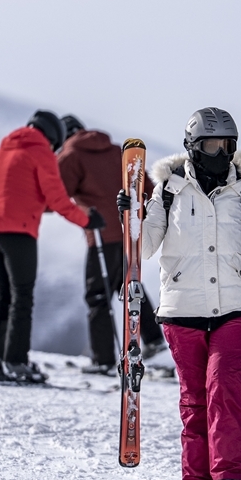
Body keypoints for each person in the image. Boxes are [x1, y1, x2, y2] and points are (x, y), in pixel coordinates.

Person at [122, 107, 241, 480]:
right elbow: (145, 246)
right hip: (182, 307)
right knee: (194, 397)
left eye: (227, 145)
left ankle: (229, 476)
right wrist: (131, 215)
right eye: (212, 145)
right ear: (193, 147)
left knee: (223, 385)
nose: (221, 153)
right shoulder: (168, 190)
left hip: (235, 305)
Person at [0, 110, 105, 383]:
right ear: (53, 137)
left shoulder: (0, 151)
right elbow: (57, 199)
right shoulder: (41, 153)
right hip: (18, 234)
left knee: (4, 295)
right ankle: (16, 363)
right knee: (22, 297)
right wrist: (87, 219)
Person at [56, 114, 167, 375]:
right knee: (129, 284)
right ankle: (153, 338)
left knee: (97, 296)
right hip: (128, 231)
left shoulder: (70, 155)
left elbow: (56, 195)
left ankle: (103, 359)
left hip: (101, 235)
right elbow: (147, 187)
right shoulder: (118, 151)